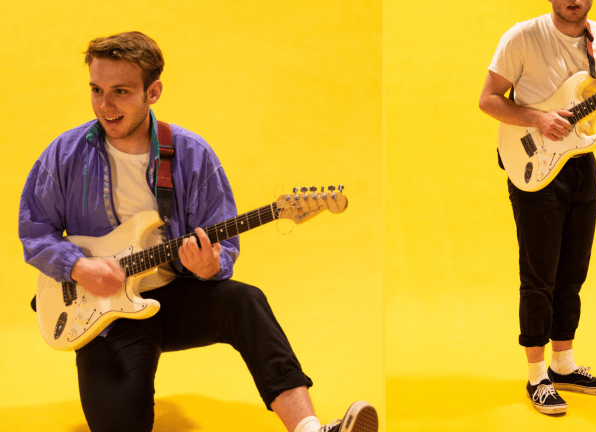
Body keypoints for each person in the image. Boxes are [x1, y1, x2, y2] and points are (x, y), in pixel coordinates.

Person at [18, 31, 378, 432]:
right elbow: (34, 232)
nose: (105, 105)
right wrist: (80, 268)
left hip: (174, 300)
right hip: (102, 313)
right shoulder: (64, 154)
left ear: (152, 92)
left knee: (244, 302)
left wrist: (210, 267)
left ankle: (311, 428)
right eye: (96, 90)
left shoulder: (190, 154)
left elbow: (223, 250)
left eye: (121, 91)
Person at [478, 0, 596, 415]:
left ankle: (564, 365)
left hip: (579, 164)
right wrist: (538, 120)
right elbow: (487, 100)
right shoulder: (522, 36)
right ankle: (537, 375)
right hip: (533, 165)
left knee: (573, 270)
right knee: (539, 274)